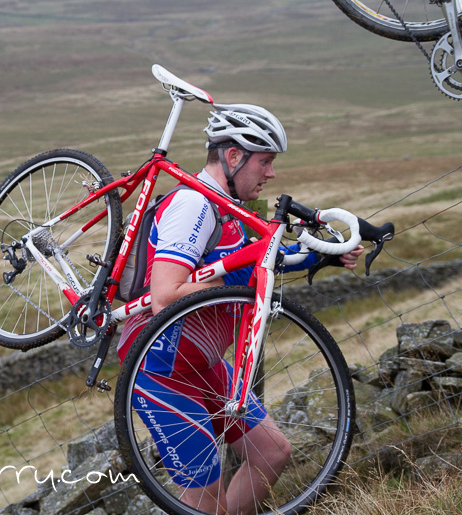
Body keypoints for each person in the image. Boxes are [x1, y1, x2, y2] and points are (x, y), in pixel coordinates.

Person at [117, 104, 364, 514]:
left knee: (272, 453)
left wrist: (323, 256)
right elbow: (164, 296)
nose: (271, 173)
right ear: (234, 156)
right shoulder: (194, 206)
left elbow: (251, 265)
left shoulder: (225, 208)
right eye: (265, 161)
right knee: (205, 503)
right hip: (161, 369)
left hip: (201, 363)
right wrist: (227, 284)